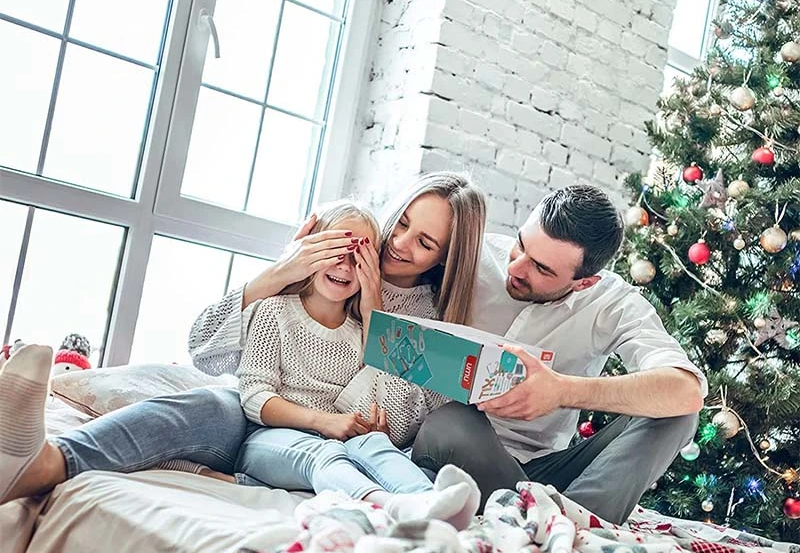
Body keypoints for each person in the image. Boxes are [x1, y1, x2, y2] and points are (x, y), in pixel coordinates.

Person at [0, 172, 486, 505]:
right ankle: (48, 461)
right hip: (260, 411)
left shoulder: (426, 326)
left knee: (340, 454)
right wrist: (279, 273)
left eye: (424, 243)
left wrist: (375, 317)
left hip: (322, 435)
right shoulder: (329, 261)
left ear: (444, 260)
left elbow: (384, 426)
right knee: (201, 404)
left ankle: (415, 503)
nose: (398, 244)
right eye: (400, 224)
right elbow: (206, 351)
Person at [411, 183, 707, 524]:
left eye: (542, 269)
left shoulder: (610, 302)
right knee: (451, 423)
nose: (517, 268)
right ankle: (559, 523)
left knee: (678, 414)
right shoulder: (474, 257)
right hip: (462, 446)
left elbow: (685, 390)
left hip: (548, 472)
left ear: (585, 282)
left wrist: (561, 391)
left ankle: (570, 523)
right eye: (521, 245)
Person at [229, 201, 479, 529]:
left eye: (358, 259)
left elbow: (371, 395)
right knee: (325, 456)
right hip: (269, 438)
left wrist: (367, 427)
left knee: (372, 445)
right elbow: (253, 396)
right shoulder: (274, 311)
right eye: (335, 251)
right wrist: (324, 422)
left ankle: (429, 500)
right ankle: (392, 505)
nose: (345, 268)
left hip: (334, 439)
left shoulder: (360, 330)